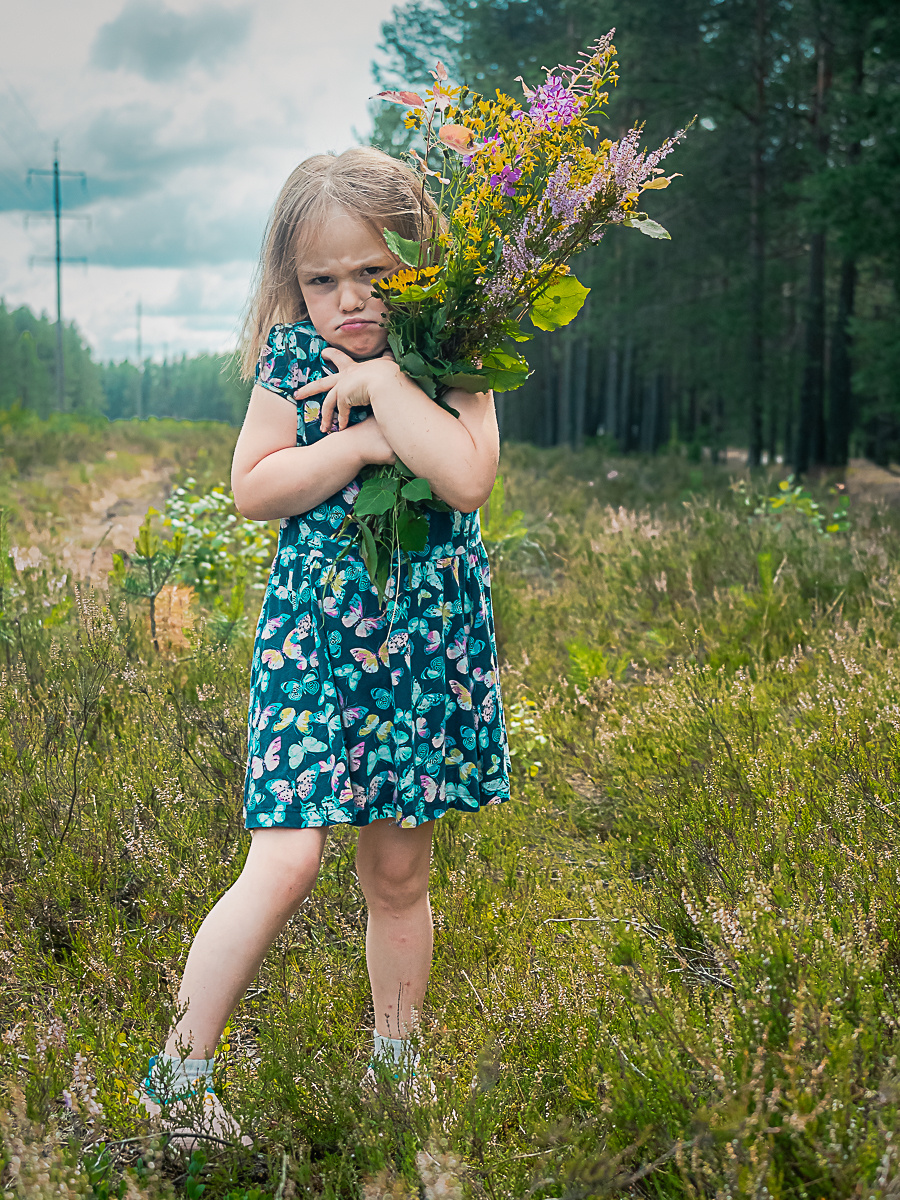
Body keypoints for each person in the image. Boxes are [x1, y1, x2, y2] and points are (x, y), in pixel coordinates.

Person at [139, 146, 510, 1142]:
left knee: (399, 877)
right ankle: (177, 1078)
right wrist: (346, 444)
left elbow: (467, 478)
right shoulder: (294, 363)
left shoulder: (455, 362)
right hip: (316, 653)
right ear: (290, 282)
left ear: (418, 266)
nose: (348, 299)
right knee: (287, 860)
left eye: (373, 276)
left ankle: (396, 1068)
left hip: (422, 659)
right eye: (320, 279)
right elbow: (254, 485)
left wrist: (389, 392)